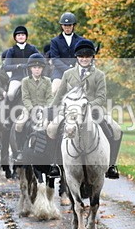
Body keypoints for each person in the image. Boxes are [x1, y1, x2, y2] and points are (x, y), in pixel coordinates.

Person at [50, 39, 121, 179]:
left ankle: (111, 165)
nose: (84, 59)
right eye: (81, 56)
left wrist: (88, 106)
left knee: (116, 129)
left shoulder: (99, 75)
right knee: (52, 129)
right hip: (71, 111)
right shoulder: (68, 74)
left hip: (94, 111)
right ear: (77, 57)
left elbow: (101, 97)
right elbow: (59, 96)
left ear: (92, 57)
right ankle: (55, 164)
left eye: (87, 56)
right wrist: (52, 110)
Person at [14, 53, 55, 171]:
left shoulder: (47, 80)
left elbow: (50, 97)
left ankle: (52, 154)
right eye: (34, 68)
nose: (37, 70)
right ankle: (20, 150)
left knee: (52, 127)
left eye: (39, 68)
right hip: (29, 108)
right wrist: (32, 109)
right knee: (19, 124)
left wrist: (46, 108)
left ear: (42, 68)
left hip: (44, 108)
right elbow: (25, 97)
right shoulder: (25, 81)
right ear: (30, 69)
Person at [48, 12, 84, 95]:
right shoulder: (55, 41)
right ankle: (51, 108)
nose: (67, 28)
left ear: (73, 26)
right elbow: (55, 59)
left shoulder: (81, 40)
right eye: (65, 25)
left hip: (77, 72)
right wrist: (67, 69)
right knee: (54, 91)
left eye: (69, 25)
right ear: (62, 26)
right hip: (59, 73)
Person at [2, 25, 41, 102]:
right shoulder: (11, 50)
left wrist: (31, 65)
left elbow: (41, 60)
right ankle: (8, 113)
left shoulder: (32, 48)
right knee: (10, 94)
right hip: (16, 78)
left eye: (23, 35)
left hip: (31, 77)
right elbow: (6, 67)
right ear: (15, 37)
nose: (21, 37)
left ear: (26, 37)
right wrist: (18, 66)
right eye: (18, 35)